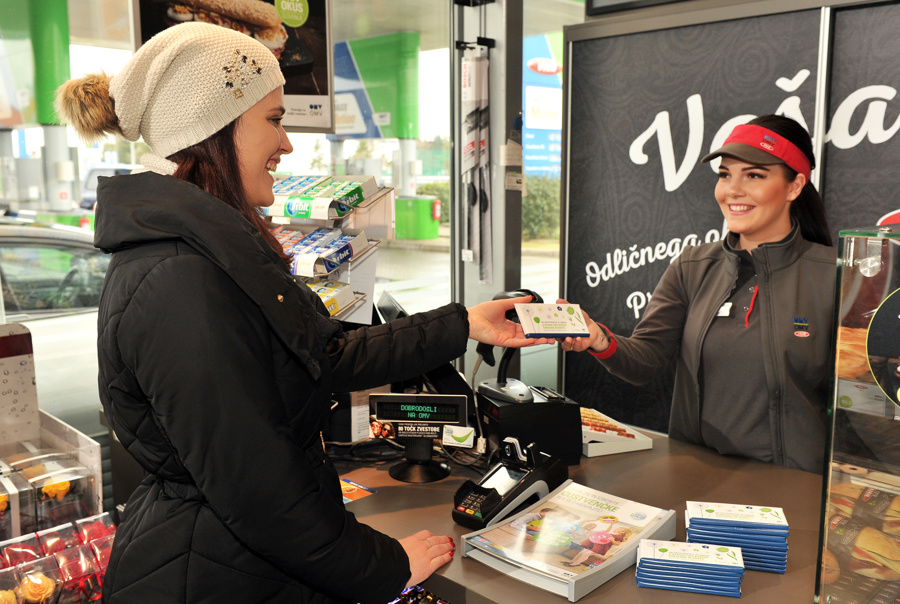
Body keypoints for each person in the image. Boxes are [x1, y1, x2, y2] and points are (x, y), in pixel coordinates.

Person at [55, 22, 552, 604]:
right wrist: (384, 565)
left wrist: (462, 324)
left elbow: (322, 354)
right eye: (273, 119)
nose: (287, 143)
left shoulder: (212, 256)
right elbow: (257, 490)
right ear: (212, 130)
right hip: (214, 576)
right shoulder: (180, 280)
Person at [562, 115, 835, 474]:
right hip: (697, 475)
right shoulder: (693, 265)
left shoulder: (836, 276)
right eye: (725, 174)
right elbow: (648, 359)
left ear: (794, 186)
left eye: (754, 175)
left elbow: (864, 400)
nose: (732, 190)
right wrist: (597, 338)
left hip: (794, 482)